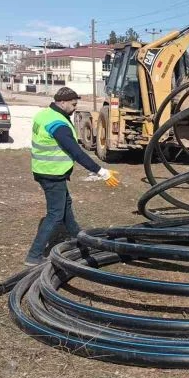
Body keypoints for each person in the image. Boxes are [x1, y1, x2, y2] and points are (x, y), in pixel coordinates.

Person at [25, 87, 119, 266]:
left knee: (65, 205)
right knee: (55, 215)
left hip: (43, 170)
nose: (75, 107)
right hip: (52, 172)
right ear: (62, 102)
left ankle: (78, 237)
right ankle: (34, 255)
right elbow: (77, 152)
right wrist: (102, 172)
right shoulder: (58, 124)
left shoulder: (44, 114)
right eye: (73, 104)